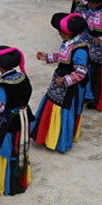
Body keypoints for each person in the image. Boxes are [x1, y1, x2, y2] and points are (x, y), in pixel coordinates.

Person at [31, 13, 89, 153]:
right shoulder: (68, 42)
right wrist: (48, 57)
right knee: (51, 104)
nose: (59, 33)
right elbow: (62, 56)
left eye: (60, 31)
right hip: (59, 81)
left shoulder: (80, 50)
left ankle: (59, 141)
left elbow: (81, 72)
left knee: (64, 110)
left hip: (70, 88)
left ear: (68, 33)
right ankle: (47, 136)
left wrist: (66, 80)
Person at [0, 46, 33, 196]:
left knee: (6, 149)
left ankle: (6, 185)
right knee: (21, 146)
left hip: (9, 121)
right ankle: (20, 179)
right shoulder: (23, 77)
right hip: (24, 117)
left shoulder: (3, 85)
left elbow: (0, 108)